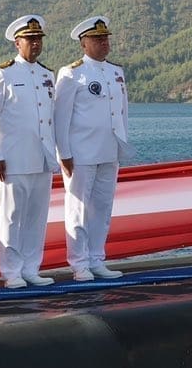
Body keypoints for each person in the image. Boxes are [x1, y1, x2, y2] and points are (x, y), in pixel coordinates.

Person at [0, 15, 59, 287]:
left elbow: (50, 118)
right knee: (12, 217)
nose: (35, 43)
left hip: (42, 158)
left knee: (37, 218)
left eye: (38, 39)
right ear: (17, 43)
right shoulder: (3, 74)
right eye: (30, 39)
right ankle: (12, 272)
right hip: (12, 160)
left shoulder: (47, 75)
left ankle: (31, 268)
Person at [54, 15, 133, 282]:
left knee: (102, 208)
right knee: (78, 209)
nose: (103, 43)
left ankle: (97, 258)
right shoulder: (72, 73)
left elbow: (122, 114)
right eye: (97, 39)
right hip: (81, 153)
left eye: (105, 38)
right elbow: (61, 117)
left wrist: (121, 145)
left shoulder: (116, 72)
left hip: (109, 150)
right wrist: (64, 153)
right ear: (83, 43)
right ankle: (79, 263)